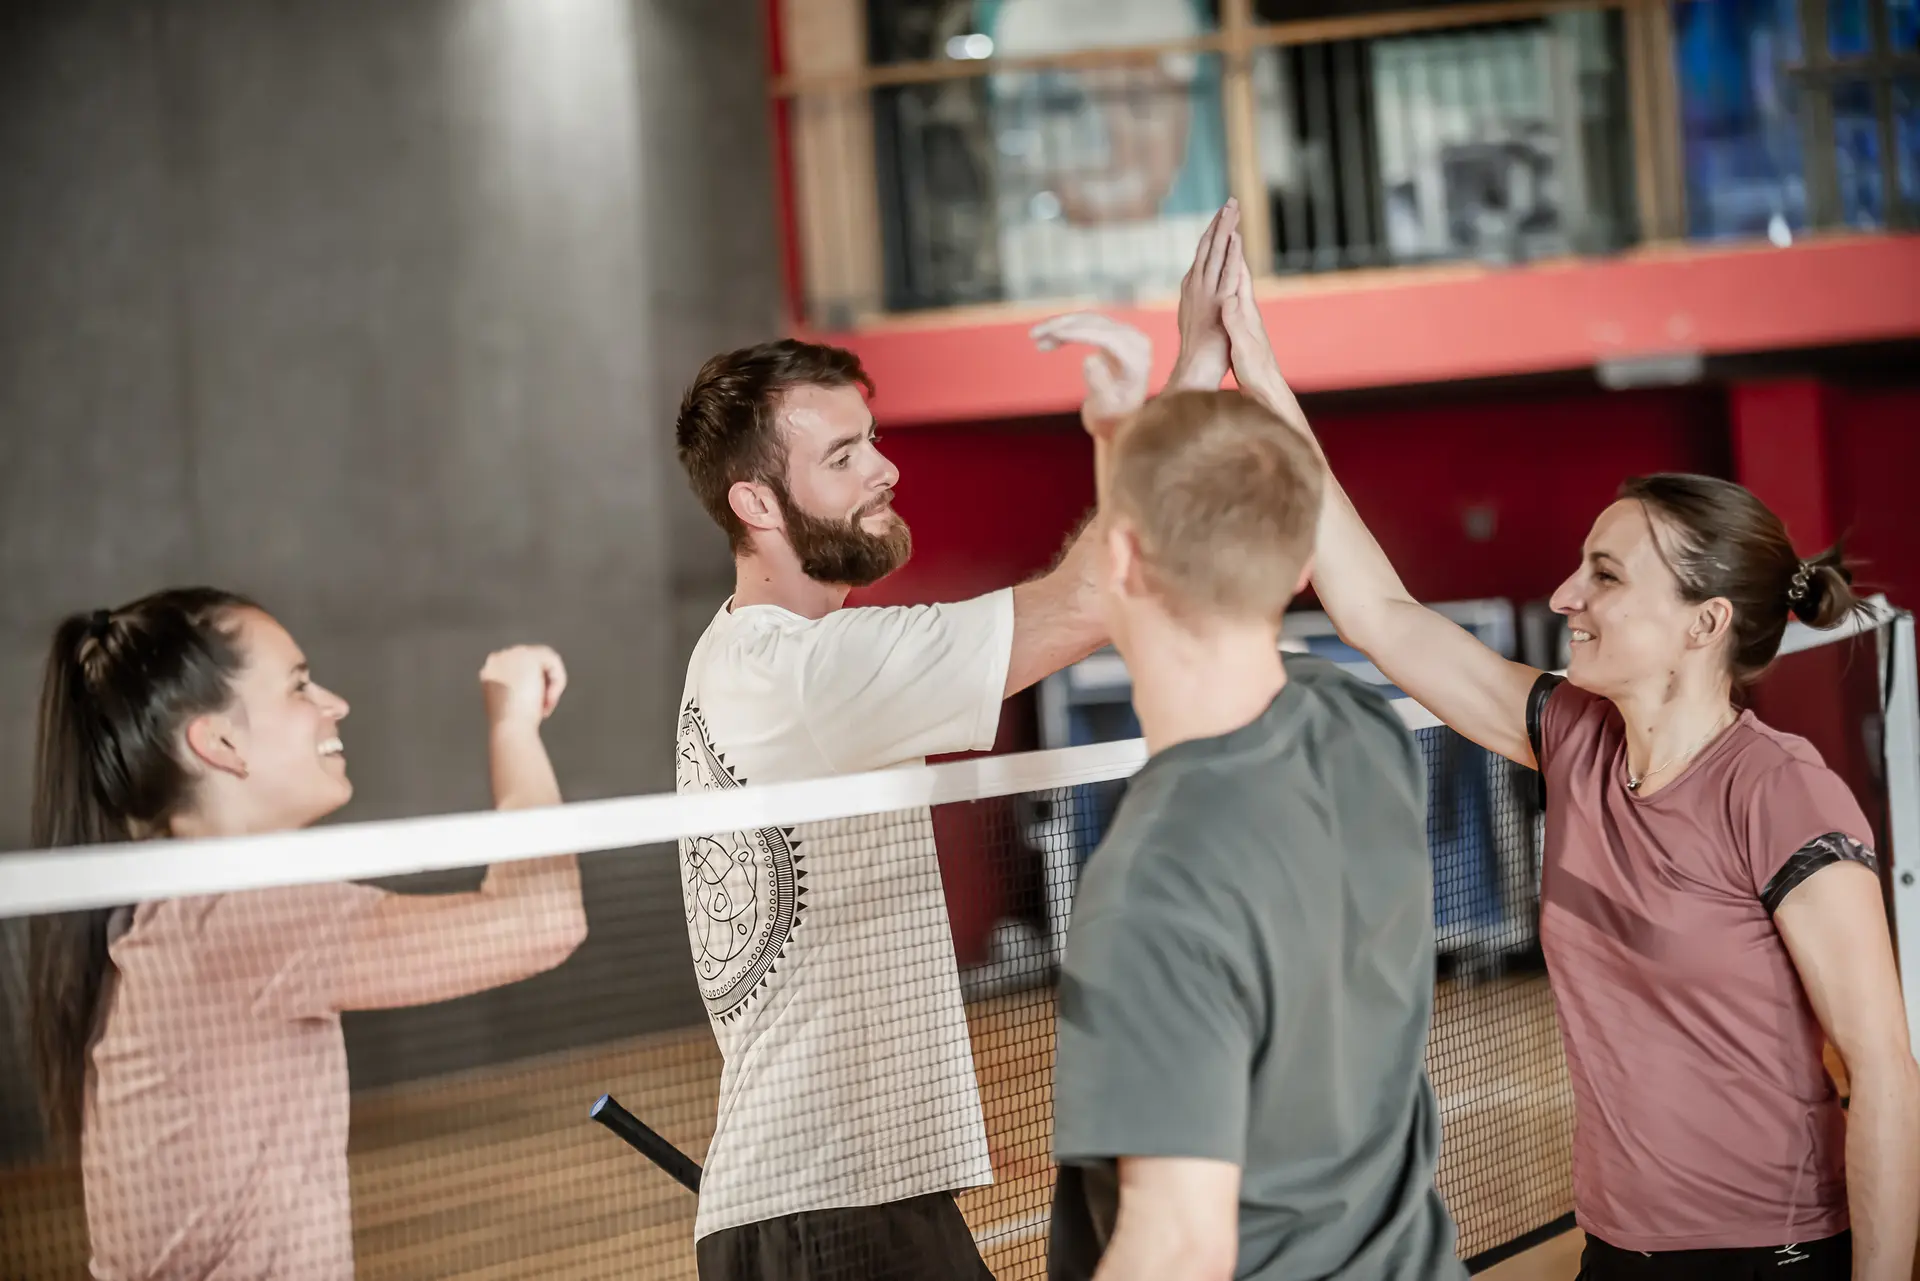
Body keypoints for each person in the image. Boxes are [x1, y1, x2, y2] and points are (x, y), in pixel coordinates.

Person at [1212, 238, 1920, 1279]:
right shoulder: (1575, 739)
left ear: (1702, 623)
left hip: (1769, 1253)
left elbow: (1884, 1076)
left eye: (1604, 577)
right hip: (1616, 1248)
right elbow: (1377, 613)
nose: (1563, 599)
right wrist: (1263, 378)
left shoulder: (1780, 794)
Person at [669, 208, 1245, 1281]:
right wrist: (1187, 369)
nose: (885, 470)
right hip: (827, 1218)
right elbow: (1091, 599)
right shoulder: (804, 675)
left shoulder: (760, 659)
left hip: (837, 1198)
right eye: (844, 455)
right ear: (756, 501)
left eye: (872, 438)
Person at [1033, 283, 1466, 1275]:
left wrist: (1127, 446)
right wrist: (1126, 440)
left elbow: (1177, 1245)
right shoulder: (1361, 732)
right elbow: (1208, 540)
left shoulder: (1155, 884)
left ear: (1126, 554)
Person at [27, 587, 587, 1281]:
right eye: (298, 686)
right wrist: (513, 727)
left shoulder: (173, 911)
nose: (334, 703)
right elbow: (543, 918)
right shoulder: (240, 913)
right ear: (221, 741)